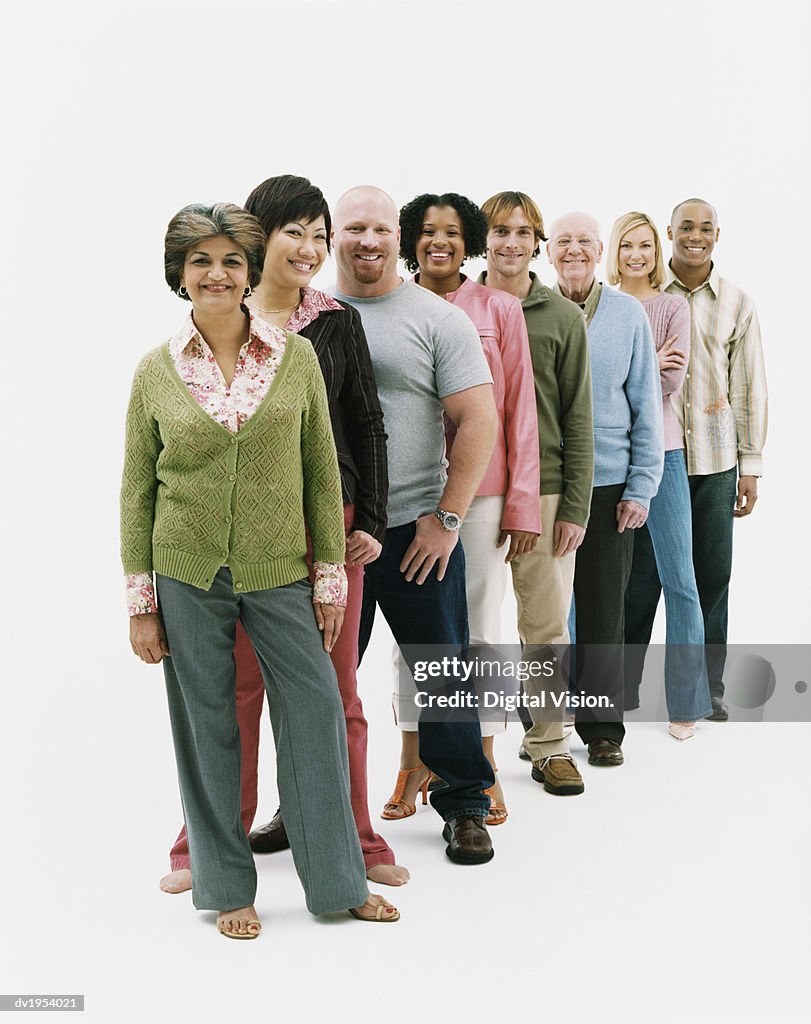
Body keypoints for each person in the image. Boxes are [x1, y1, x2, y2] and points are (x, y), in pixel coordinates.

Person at [121, 202, 399, 937]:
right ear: (179, 275)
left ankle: (338, 882)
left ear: (249, 273)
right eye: (201, 261)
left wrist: (329, 578)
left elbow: (318, 473)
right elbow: (136, 492)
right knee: (207, 726)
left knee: (313, 721)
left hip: (281, 571)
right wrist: (141, 603)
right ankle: (224, 886)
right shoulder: (155, 371)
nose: (217, 273)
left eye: (231, 261)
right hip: (184, 571)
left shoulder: (293, 356)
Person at [331, 185, 500, 864]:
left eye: (378, 229)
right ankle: (311, 802)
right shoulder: (307, 316)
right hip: (331, 537)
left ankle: (463, 802)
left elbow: (477, 420)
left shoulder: (435, 319)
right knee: (322, 682)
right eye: (352, 229)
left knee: (442, 672)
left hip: (415, 534)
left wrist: (447, 519)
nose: (367, 241)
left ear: (396, 238)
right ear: (331, 237)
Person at [391, 191, 541, 825]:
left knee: (478, 630)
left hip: (479, 494)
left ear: (469, 238)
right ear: (411, 240)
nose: (439, 242)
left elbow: (518, 411)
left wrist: (523, 504)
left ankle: (480, 764)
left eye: (452, 232)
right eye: (427, 232)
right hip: (408, 493)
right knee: (413, 640)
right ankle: (412, 760)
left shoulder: (499, 308)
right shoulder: (390, 304)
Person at [626, 199, 768, 721]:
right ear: (670, 232)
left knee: (709, 574)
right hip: (653, 459)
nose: (695, 236)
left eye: (705, 228)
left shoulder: (735, 302)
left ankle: (705, 687)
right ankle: (623, 684)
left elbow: (747, 383)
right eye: (686, 226)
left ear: (716, 235)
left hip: (711, 459)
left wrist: (749, 462)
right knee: (638, 577)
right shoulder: (646, 295)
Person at [478, 191, 593, 795]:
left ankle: (548, 743)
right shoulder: (458, 307)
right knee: (474, 629)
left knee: (546, 627)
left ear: (538, 242)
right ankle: (469, 752)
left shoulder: (560, 317)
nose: (512, 242)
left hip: (546, 492)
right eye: (500, 230)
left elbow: (578, 417)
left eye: (524, 232)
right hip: (471, 493)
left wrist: (575, 505)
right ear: (485, 238)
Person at [547, 212, 663, 766]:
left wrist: (641, 487)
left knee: (601, 613)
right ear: (549, 252)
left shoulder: (628, 314)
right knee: (542, 613)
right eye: (563, 241)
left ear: (600, 251)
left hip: (609, 484)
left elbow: (646, 405)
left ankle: (601, 730)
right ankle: (541, 726)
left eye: (584, 242)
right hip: (545, 485)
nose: (574, 250)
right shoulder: (534, 311)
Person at [607, 211, 712, 738]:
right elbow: (591, 384)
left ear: (656, 251)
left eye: (646, 246)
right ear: (614, 249)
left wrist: (629, 370)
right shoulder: (598, 305)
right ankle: (593, 696)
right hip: (605, 458)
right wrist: (647, 360)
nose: (637, 255)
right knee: (595, 585)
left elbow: (668, 383)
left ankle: (687, 702)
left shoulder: (673, 306)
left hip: (666, 455)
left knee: (681, 580)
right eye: (627, 245)